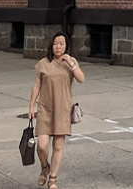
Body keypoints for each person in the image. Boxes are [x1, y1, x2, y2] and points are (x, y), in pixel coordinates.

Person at [22, 32, 87, 189]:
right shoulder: (43, 64)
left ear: (66, 46)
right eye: (56, 43)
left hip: (63, 109)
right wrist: (31, 106)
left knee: (58, 146)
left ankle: (53, 179)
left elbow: (81, 78)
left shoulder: (70, 62)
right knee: (42, 146)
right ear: (51, 45)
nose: (58, 46)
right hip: (45, 109)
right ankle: (45, 167)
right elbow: (36, 85)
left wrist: (71, 63)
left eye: (61, 44)